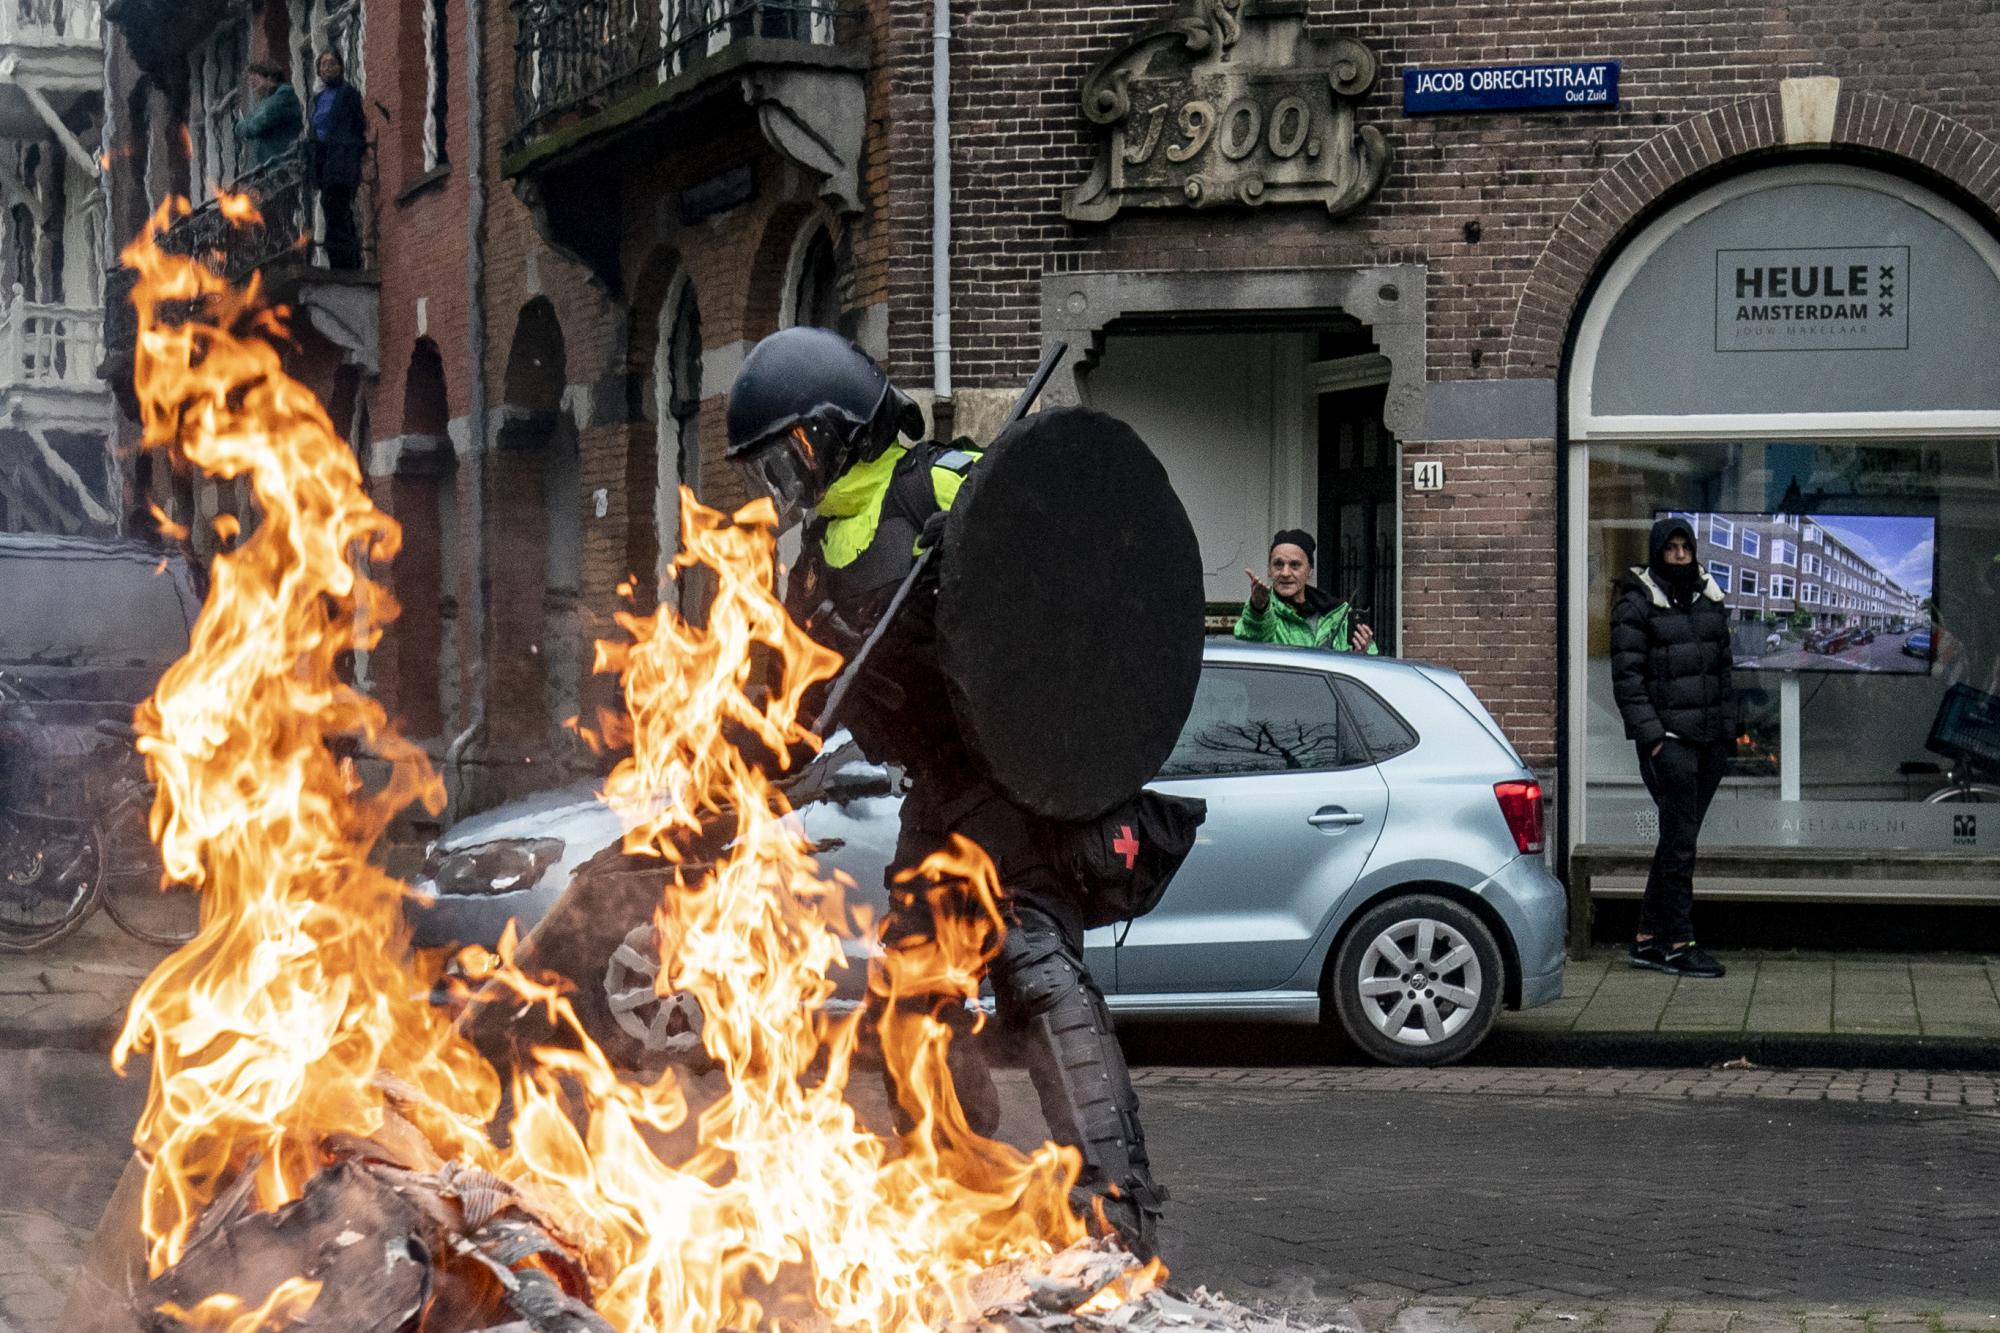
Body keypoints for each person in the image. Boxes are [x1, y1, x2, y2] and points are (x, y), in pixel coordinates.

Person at [725, 326, 1165, 1257]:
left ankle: (1115, 1210)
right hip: (935, 794)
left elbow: (1083, 560)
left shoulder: (944, 483)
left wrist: (989, 545)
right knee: (908, 999)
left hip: (1015, 779)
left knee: (1032, 962)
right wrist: (748, 753)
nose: (783, 479)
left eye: (789, 453)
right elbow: (797, 711)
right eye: (769, 466)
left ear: (837, 428)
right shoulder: (814, 565)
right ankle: (959, 1186)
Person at [1609, 517, 1734, 979]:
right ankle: (1680, 944)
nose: (1680, 555)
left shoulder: (1709, 600)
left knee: (1677, 841)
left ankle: (1647, 939)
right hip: (1670, 746)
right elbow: (1627, 680)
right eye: (1671, 548)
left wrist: (1726, 735)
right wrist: (1655, 739)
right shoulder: (1636, 603)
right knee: (1680, 847)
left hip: (1709, 744)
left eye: (1686, 547)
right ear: (1658, 552)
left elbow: (1725, 672)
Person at [1234, 529, 1376, 653]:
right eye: (1278, 564)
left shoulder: (1338, 614)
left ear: (1309, 571)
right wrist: (1258, 609)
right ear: (1269, 571)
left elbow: (1367, 664)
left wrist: (1361, 654)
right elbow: (1252, 636)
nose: (1285, 573)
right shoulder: (1261, 612)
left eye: (1295, 565)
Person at [307, 50, 367, 270]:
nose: (327, 68)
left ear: (341, 67)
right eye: (323, 64)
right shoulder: (318, 99)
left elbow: (358, 126)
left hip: (342, 161)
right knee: (328, 208)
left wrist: (352, 151)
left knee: (339, 209)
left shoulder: (348, 94)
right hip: (324, 162)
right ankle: (336, 261)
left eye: (332, 63)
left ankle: (348, 263)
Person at [233, 62, 303, 173]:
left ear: (270, 77)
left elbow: (258, 124)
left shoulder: (285, 94)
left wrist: (243, 125)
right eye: (250, 81)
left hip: (283, 163)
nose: (251, 84)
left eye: (255, 79)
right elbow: (249, 122)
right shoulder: (265, 101)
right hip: (270, 164)